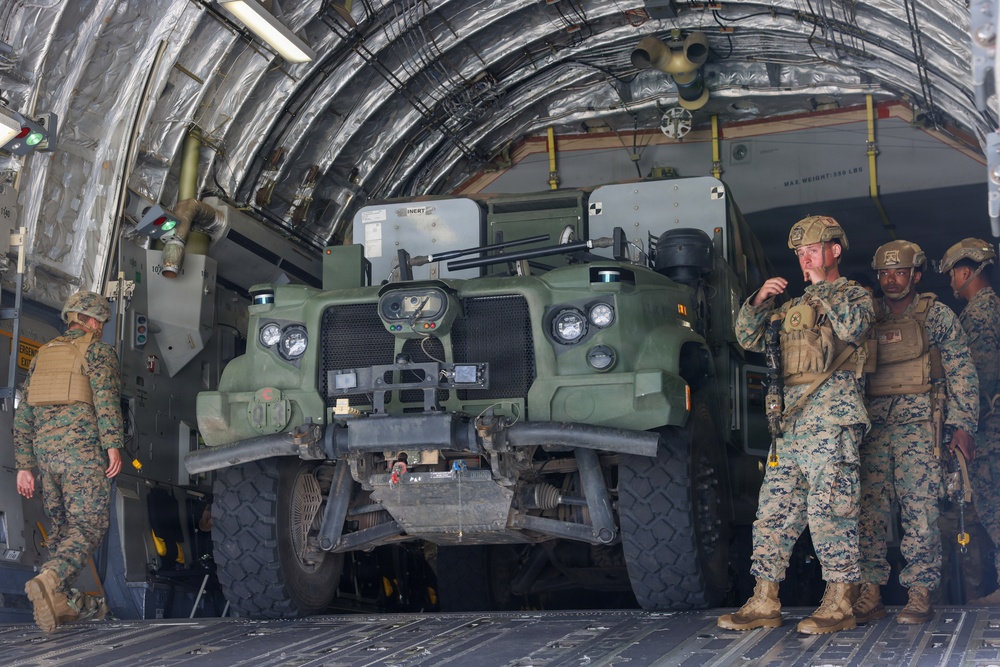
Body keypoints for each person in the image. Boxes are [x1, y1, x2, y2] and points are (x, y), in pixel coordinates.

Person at [718, 215, 873, 635]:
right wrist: (758, 302)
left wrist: (822, 285)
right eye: (800, 253)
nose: (805, 260)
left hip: (833, 421)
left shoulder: (853, 296)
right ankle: (765, 598)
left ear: (834, 251)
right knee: (772, 514)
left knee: (830, 513)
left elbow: (853, 328)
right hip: (790, 426)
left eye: (812, 250)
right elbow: (746, 337)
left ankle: (841, 600)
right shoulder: (792, 309)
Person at [851, 241, 979, 625]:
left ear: (916, 275)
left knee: (919, 512)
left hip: (920, 428)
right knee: (867, 512)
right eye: (885, 274)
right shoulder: (864, 317)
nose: (891, 280)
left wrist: (962, 425)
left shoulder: (935, 315)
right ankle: (869, 592)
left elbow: (961, 370)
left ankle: (919, 593)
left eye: (899, 272)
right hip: (873, 428)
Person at [14, 290, 123, 632]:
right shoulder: (99, 352)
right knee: (88, 526)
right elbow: (105, 401)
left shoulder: (42, 355)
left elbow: (24, 416)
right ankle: (51, 579)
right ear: (89, 320)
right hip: (82, 455)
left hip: (48, 461)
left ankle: (59, 602)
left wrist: (24, 466)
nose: (101, 328)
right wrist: (113, 446)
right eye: (101, 323)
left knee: (62, 532)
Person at [940, 238, 1000, 606]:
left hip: (987, 430)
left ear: (966, 272)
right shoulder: (990, 307)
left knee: (993, 506)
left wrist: (963, 424)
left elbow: (979, 377)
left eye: (951, 275)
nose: (950, 283)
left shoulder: (980, 313)